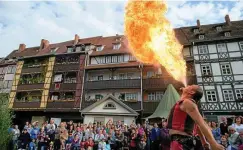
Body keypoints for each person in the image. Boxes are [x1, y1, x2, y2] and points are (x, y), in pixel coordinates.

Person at [167, 85, 224, 150]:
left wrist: (214, 144)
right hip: (180, 142)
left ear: (192, 92)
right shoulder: (185, 103)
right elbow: (197, 126)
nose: (187, 86)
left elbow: (202, 124)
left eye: (190, 86)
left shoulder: (187, 103)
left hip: (181, 143)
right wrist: (204, 142)